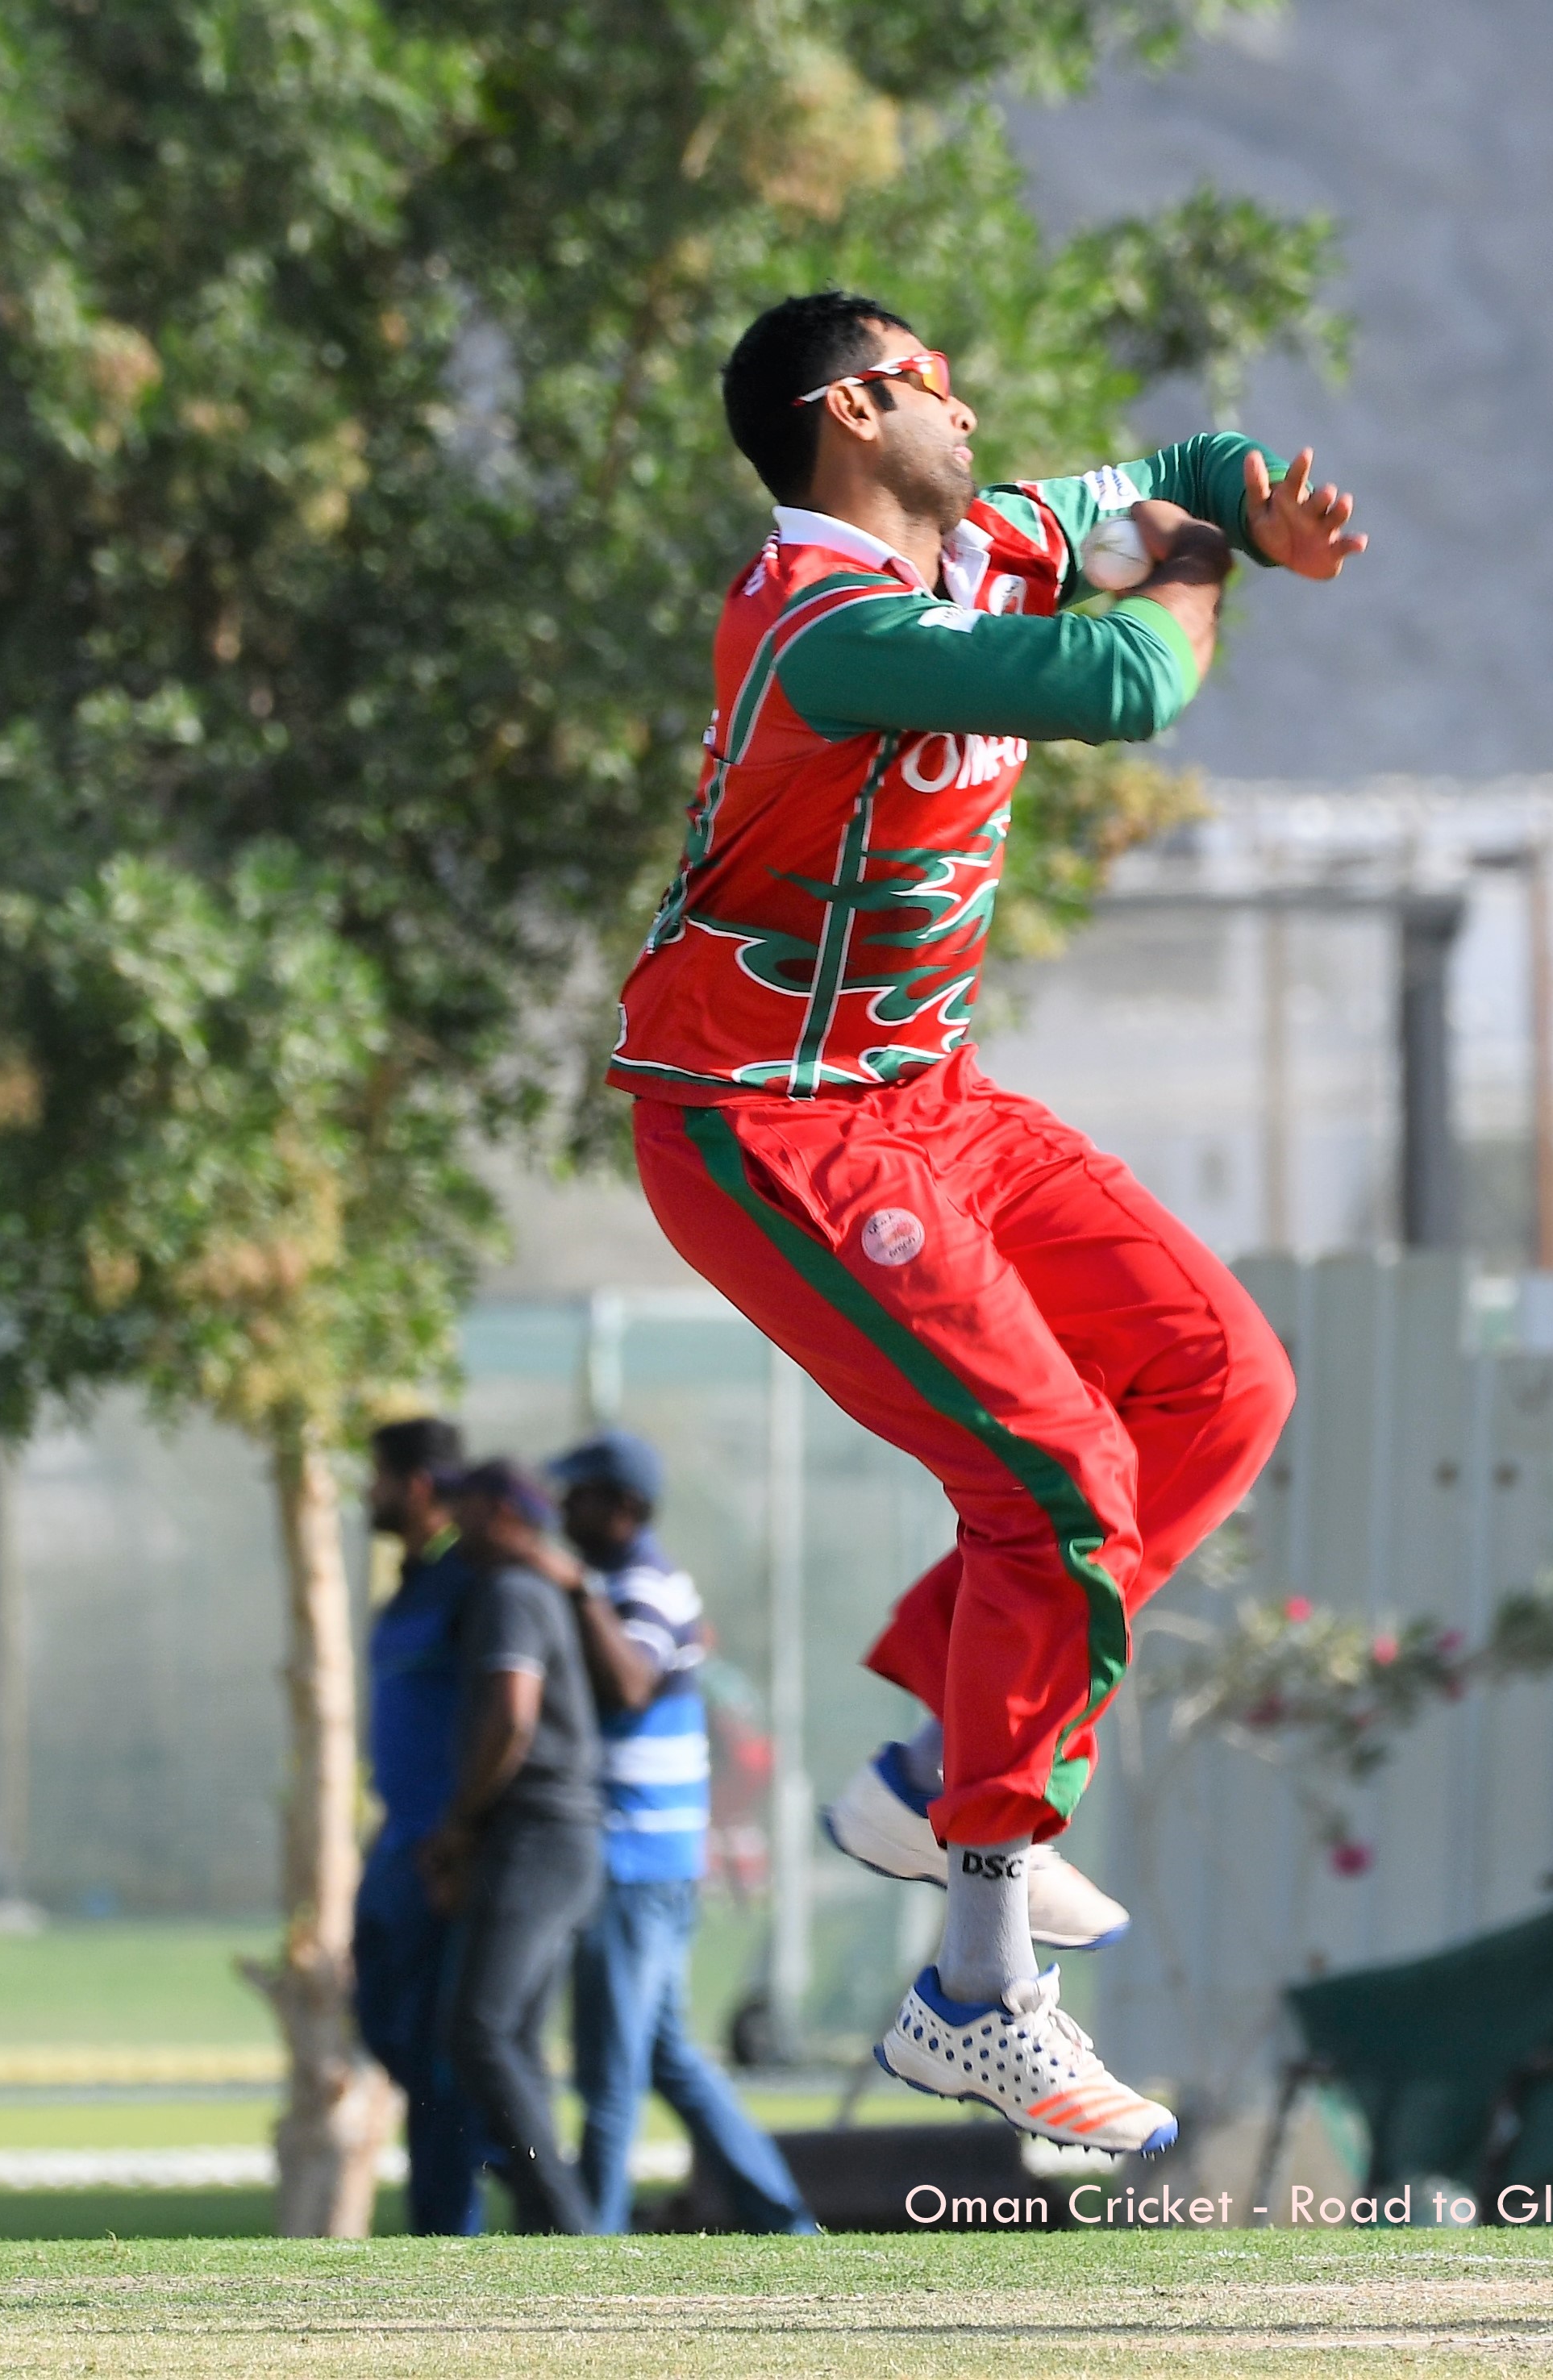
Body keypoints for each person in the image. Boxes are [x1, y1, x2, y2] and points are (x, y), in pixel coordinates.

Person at [602, 289, 1355, 2150]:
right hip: (767, 1125)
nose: (974, 406)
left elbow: (1183, 474)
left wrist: (1251, 506)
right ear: (858, 408)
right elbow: (1131, 681)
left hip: (925, 1096)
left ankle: (936, 1769)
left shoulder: (984, 536)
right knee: (1056, 1478)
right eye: (942, 380)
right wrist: (1193, 576)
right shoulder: (831, 623)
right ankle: (976, 1982)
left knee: (1218, 1379)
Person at [541, 1429, 816, 2234]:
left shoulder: (642, 1586)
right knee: (665, 2054)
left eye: (580, 1495)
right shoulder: (625, 1581)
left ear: (625, 1508)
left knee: (612, 2063)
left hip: (636, 1859)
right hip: (649, 1857)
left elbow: (629, 1684)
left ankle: (591, 2231)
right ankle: (780, 2216)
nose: (563, 1509)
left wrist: (576, 1592)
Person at [419, 1459, 607, 2233]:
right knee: (515, 2038)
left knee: (480, 2029)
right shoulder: (527, 1590)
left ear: (500, 1511)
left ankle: (568, 2224)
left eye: (461, 1502)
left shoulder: (508, 1593)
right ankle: (550, 2225)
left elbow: (511, 1717)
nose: (450, 1516)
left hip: (539, 1831)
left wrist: (458, 1823)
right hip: (557, 1837)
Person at [350, 1414, 493, 2235]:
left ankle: (460, 2218)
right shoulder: (408, 1582)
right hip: (397, 1839)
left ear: (415, 1486)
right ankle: (514, 2154)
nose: (367, 1494)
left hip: (443, 1847)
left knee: (445, 2052)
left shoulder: (467, 1582)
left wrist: (462, 1836)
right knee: (381, 2019)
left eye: (377, 1477)